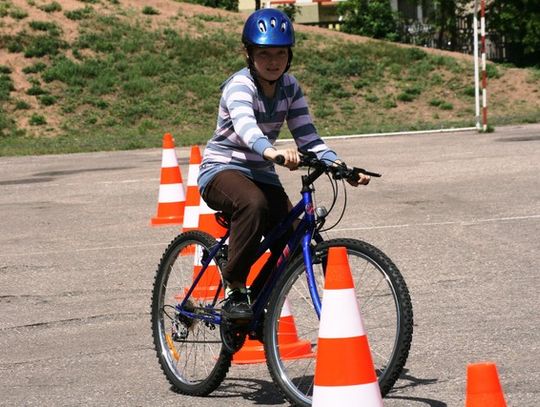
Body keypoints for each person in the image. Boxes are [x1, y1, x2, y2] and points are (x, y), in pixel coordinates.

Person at [198, 8, 370, 322]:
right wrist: (273, 152)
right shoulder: (239, 86)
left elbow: (309, 138)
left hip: (261, 172)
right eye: (264, 53)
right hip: (222, 169)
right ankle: (235, 285)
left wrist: (342, 168)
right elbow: (247, 129)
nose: (273, 60)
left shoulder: (290, 87)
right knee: (254, 204)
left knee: (292, 237)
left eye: (280, 53)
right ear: (248, 54)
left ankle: (258, 305)